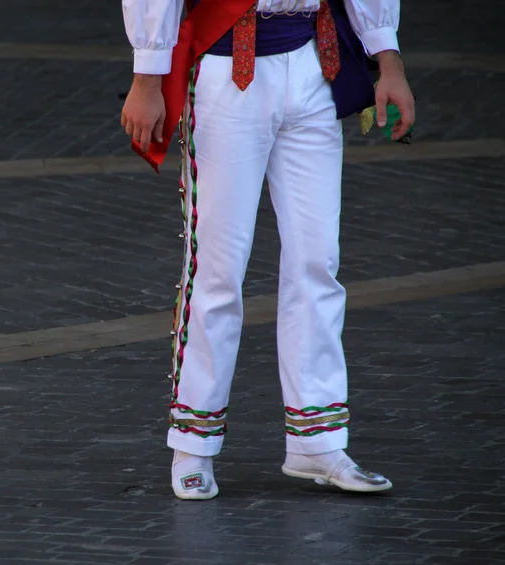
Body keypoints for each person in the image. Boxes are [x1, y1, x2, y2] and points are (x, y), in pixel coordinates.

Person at [121, 0, 415, 500]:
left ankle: (316, 441)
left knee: (317, 263)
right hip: (227, 64)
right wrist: (148, 75)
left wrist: (388, 58)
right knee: (216, 268)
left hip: (313, 62)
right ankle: (193, 445)